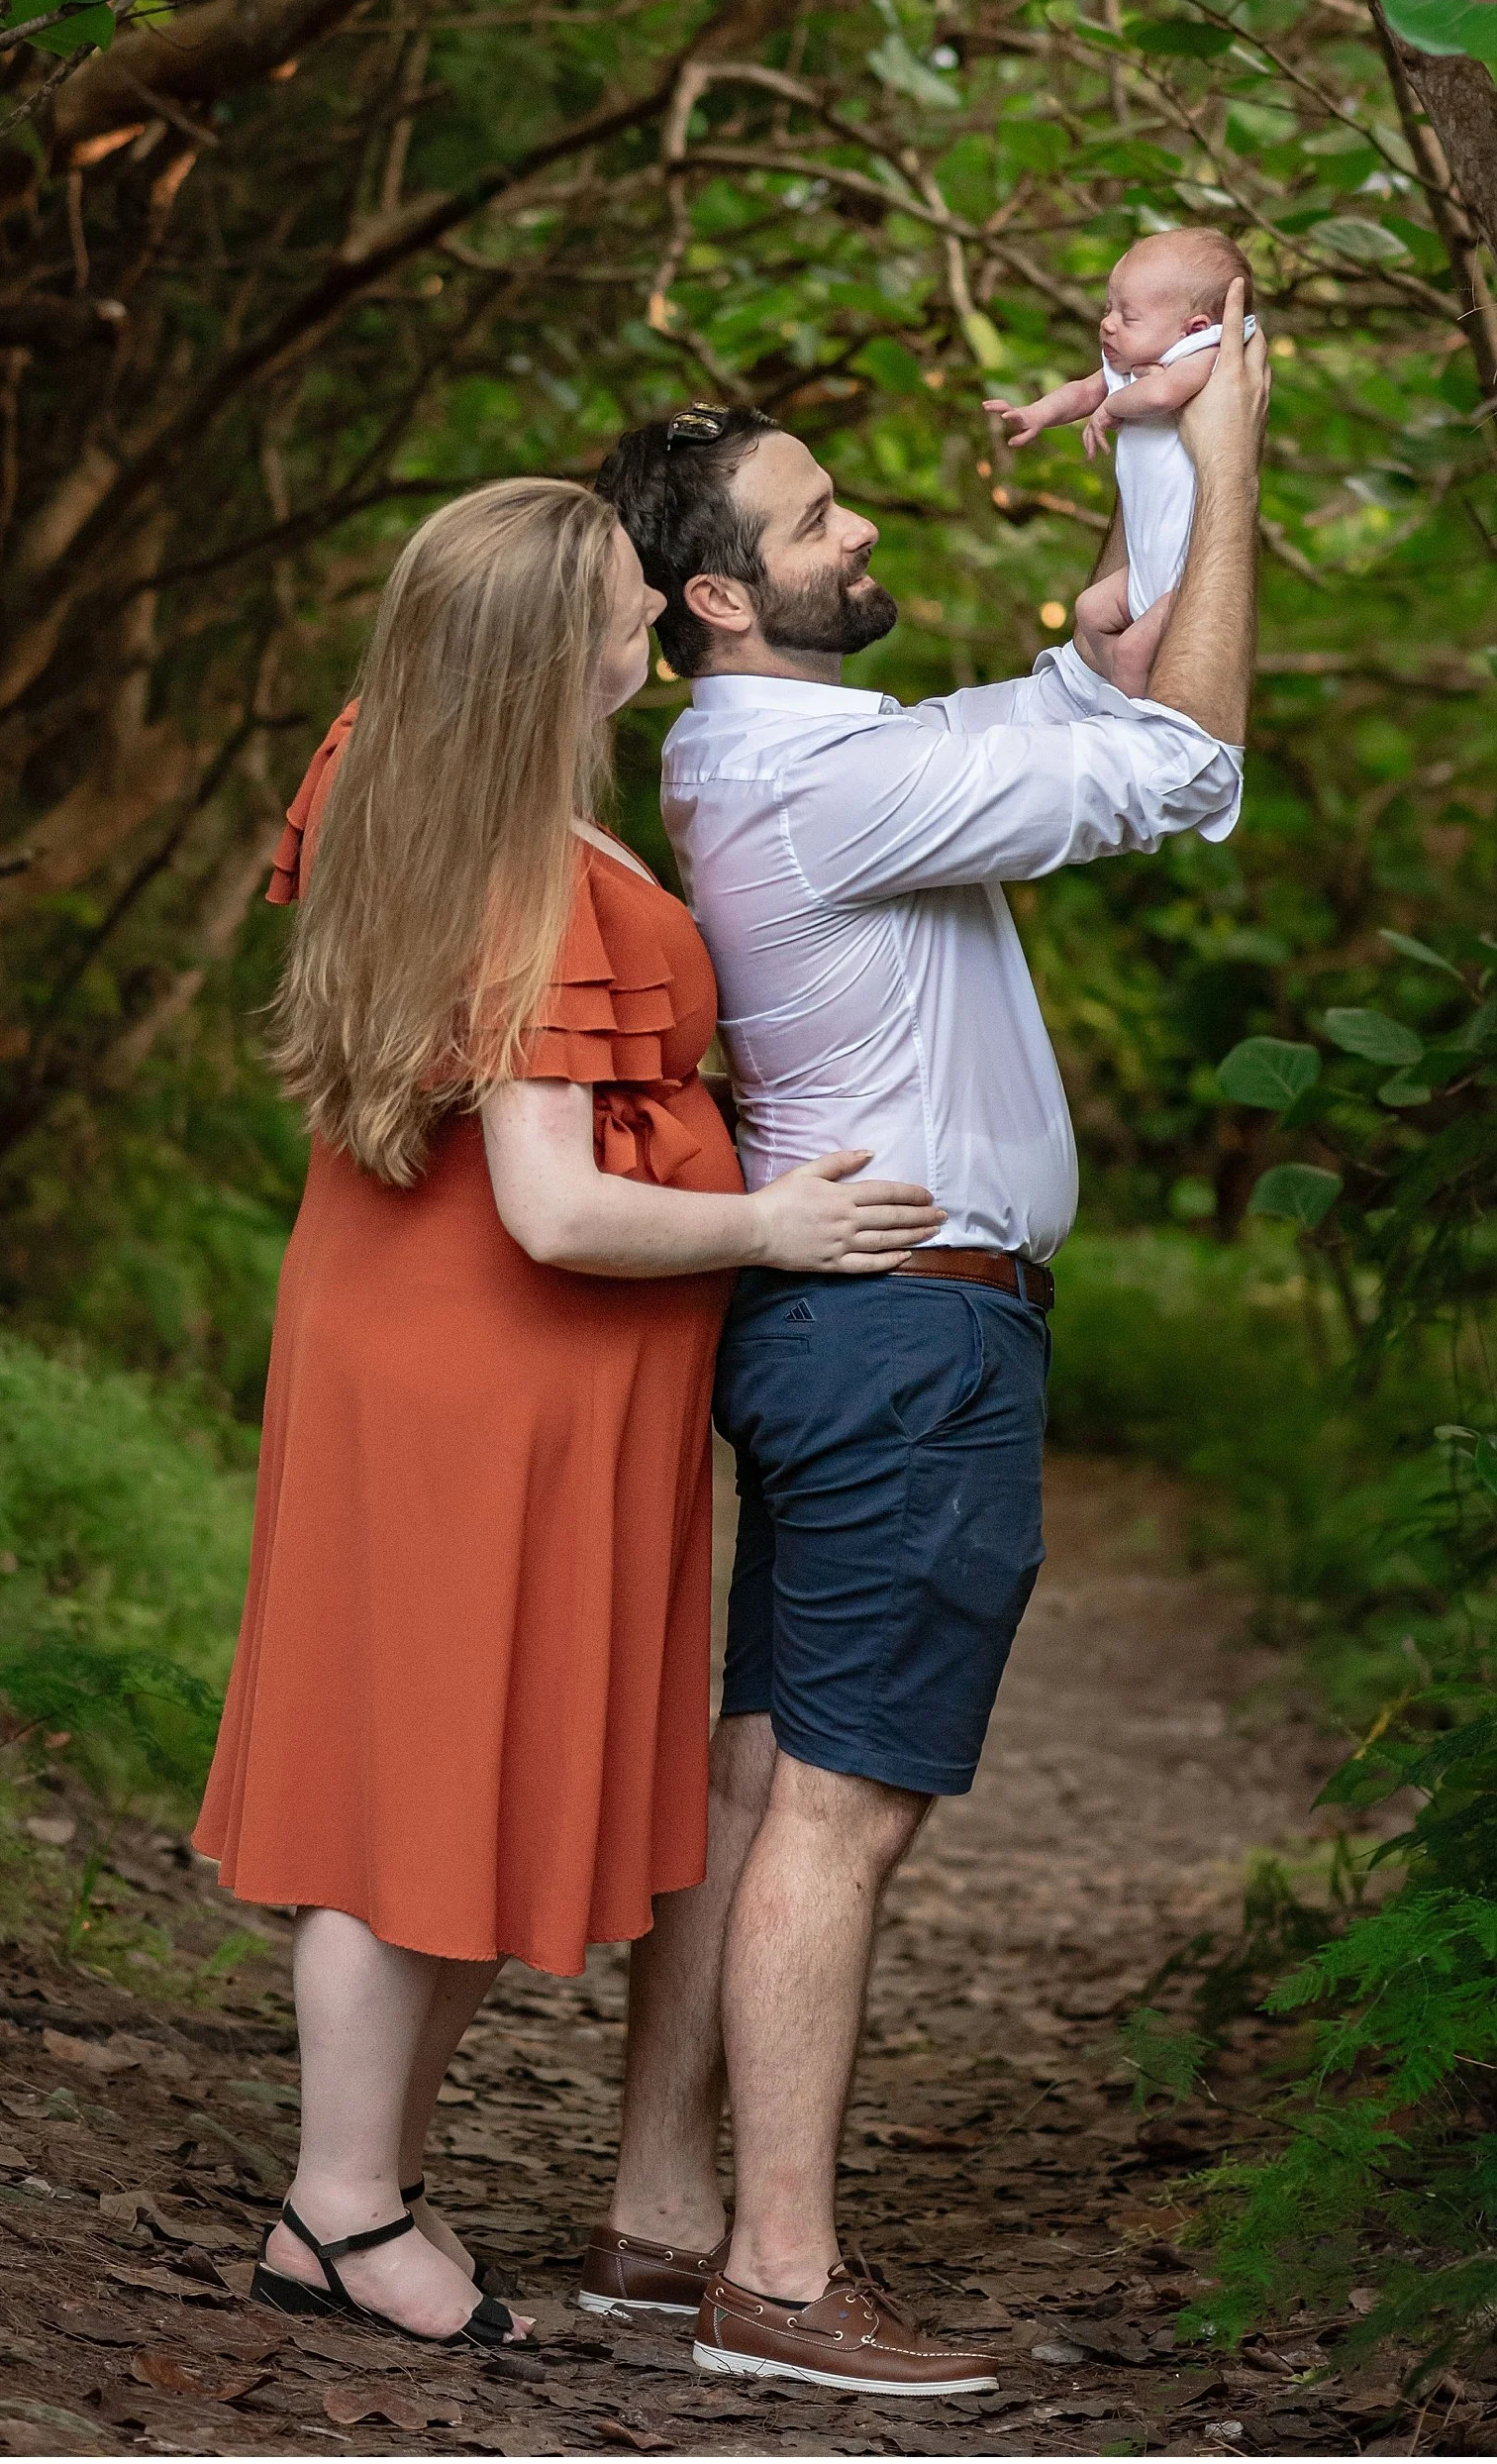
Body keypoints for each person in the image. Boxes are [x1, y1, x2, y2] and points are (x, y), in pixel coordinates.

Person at [586, 284, 1269, 2400]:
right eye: (813, 521)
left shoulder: (792, 759)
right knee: (842, 1810)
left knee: (769, 1765)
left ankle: (659, 2215)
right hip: (908, 1340)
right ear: (719, 596)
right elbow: (1187, 759)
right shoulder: (822, 783)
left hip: (844, 1331)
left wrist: (1146, 480)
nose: (857, 526)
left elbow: (1103, 696)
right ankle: (781, 2282)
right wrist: (1227, 452)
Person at [191, 479, 945, 2353]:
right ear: (550, 652)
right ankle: (342, 2205)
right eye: (626, 604)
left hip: (426, 1334)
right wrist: (780, 1221)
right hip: (487, 1358)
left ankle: (364, 2183)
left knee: (429, 1762)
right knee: (421, 1778)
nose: (656, 626)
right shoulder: (528, 880)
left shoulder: (402, 768)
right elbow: (552, 1203)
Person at [983, 226, 1258, 698]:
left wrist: (1111, 408)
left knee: (1131, 652)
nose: (1108, 324)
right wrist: (1036, 414)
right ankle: (1122, 689)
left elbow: (1166, 392)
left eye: (1127, 317)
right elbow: (1082, 392)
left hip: (1183, 573)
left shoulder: (1204, 355)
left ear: (1192, 327)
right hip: (1145, 562)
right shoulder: (1130, 364)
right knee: (1090, 610)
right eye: (1108, 309)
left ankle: (1131, 720)